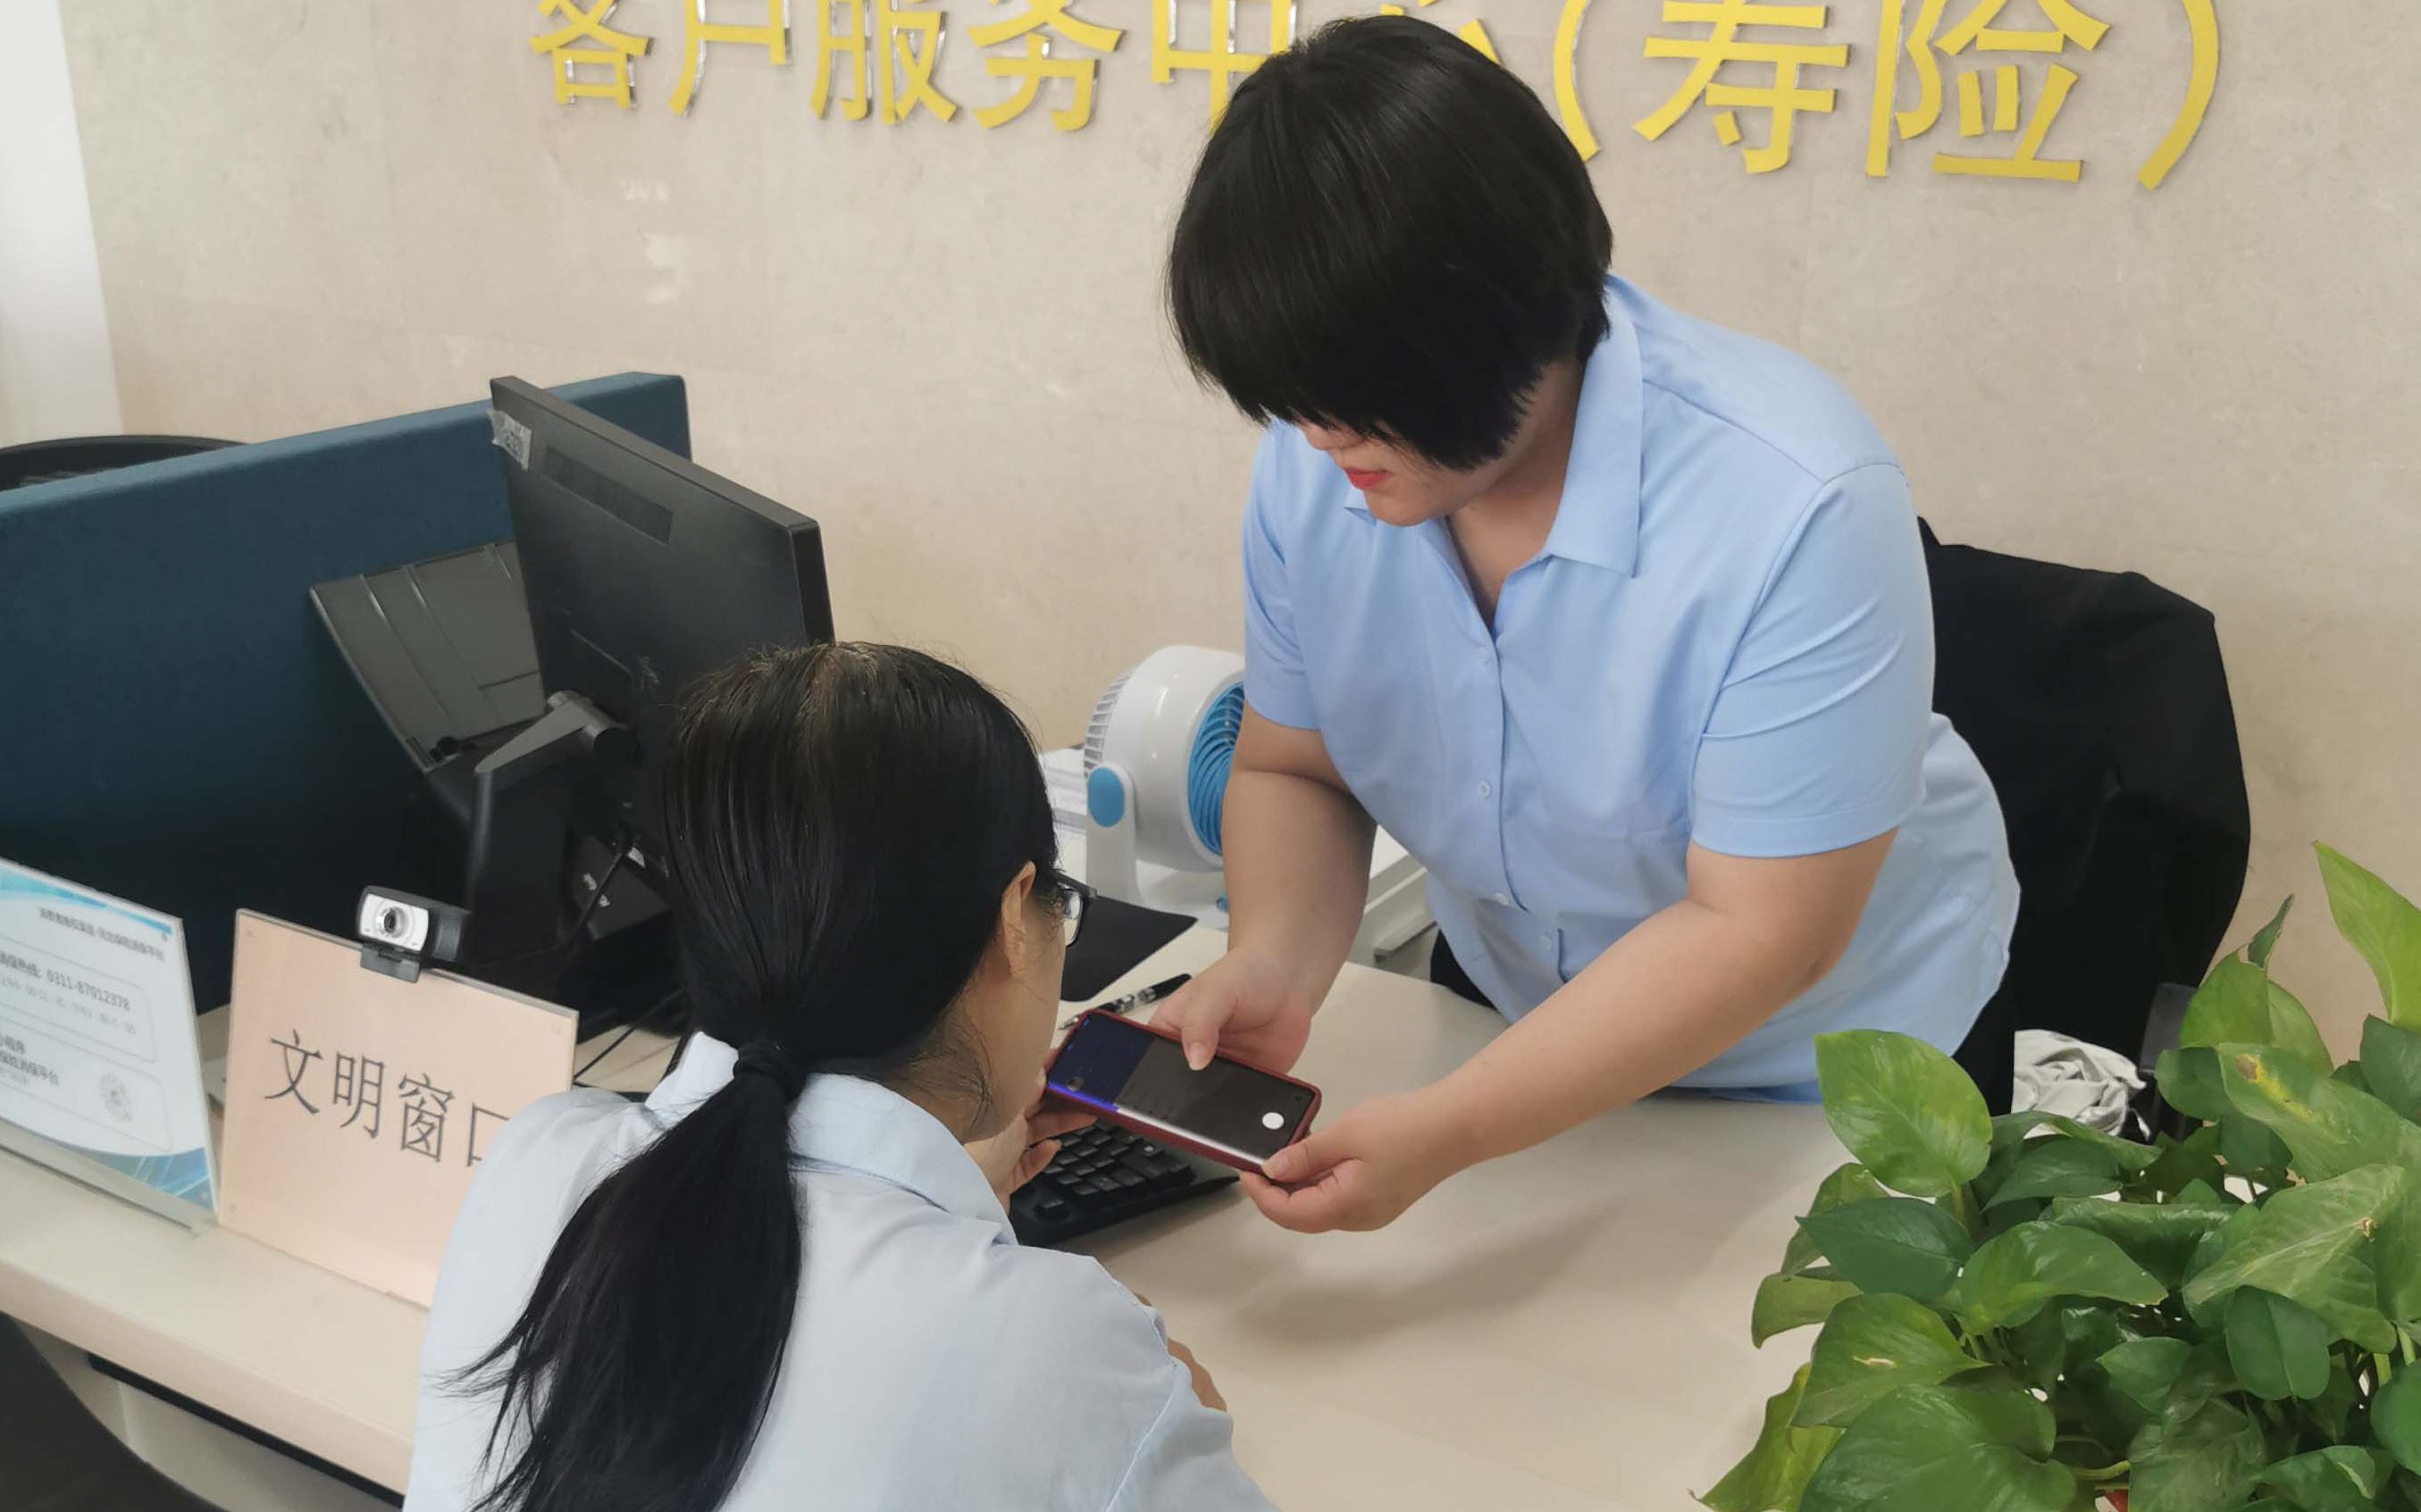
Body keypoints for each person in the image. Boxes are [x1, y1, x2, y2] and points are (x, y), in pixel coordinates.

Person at [1154, 16, 2021, 1235]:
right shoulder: (1319, 464)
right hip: (1511, 1023)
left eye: (1360, 402)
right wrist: (1272, 962)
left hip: (1822, 1071)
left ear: (1507, 318)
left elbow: (1757, 932)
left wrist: (1452, 1128)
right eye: (1294, 400)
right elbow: (1296, 764)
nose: (1318, 438)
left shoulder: (1797, 502)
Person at [405, 644, 1273, 1512]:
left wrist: (942, 1204)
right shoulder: (1070, 1353)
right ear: (1016, 915)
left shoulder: (535, 1158)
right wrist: (1168, 1411)